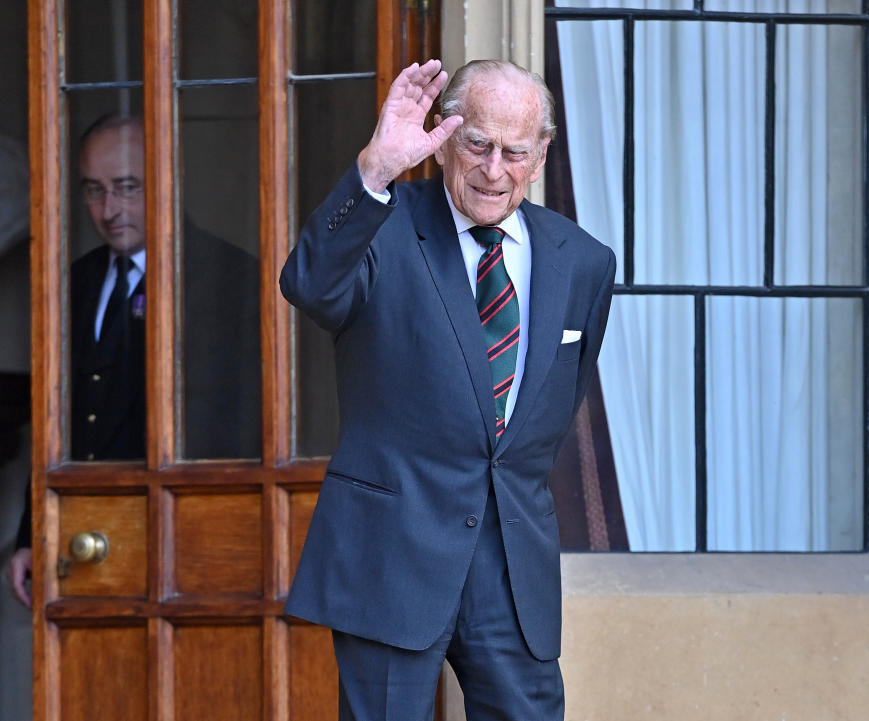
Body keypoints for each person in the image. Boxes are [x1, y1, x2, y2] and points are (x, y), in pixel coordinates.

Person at [281, 59, 616, 720]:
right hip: (392, 552)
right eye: (478, 144)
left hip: (512, 566)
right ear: (443, 137)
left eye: (515, 151)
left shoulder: (583, 261)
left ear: (541, 154)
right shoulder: (385, 223)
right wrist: (375, 168)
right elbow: (309, 284)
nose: (495, 169)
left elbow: (550, 406)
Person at [5, 113, 261, 607]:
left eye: (126, 187)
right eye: (93, 190)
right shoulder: (72, 284)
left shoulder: (228, 279)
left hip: (188, 549)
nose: (109, 209)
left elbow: (238, 424)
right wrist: (30, 535)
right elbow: (56, 424)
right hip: (84, 550)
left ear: (168, 178)